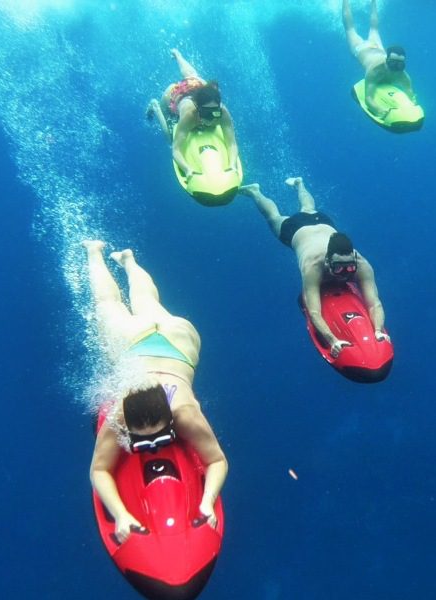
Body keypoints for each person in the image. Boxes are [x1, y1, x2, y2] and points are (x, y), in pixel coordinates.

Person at [83, 241, 228, 543]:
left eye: (160, 437)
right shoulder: (120, 413)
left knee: (110, 306)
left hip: (172, 343)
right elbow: (97, 470)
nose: (151, 445)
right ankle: (120, 258)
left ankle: (104, 254)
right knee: (136, 304)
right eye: (144, 439)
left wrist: (206, 501)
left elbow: (218, 461)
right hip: (162, 339)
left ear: (170, 415)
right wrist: (121, 514)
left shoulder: (184, 411)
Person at [238, 178, 389, 358]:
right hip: (294, 230)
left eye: (349, 268)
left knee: (308, 209)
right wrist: (332, 339)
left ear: (355, 259)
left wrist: (379, 330)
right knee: (274, 217)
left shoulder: (363, 265)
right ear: (327, 261)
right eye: (339, 268)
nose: (344, 274)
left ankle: (299, 184)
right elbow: (314, 310)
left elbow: (375, 303)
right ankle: (255, 192)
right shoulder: (313, 267)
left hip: (325, 223)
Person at [146, 48, 239, 181]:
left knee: (192, 75)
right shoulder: (189, 114)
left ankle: (178, 55)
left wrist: (232, 165)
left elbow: (232, 144)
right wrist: (188, 170)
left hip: (197, 84)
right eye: (206, 114)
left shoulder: (222, 112)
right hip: (174, 95)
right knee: (169, 136)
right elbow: (176, 149)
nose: (211, 119)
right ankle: (154, 106)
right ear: (197, 109)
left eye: (214, 113)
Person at [342, 0, 416, 118]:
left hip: (376, 46)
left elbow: (410, 93)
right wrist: (379, 110)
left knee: (374, 28)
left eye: (399, 66)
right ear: (386, 61)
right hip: (361, 49)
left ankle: (373, 1)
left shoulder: (404, 76)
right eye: (392, 64)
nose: (395, 69)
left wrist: (412, 102)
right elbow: (368, 99)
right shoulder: (375, 71)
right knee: (350, 29)